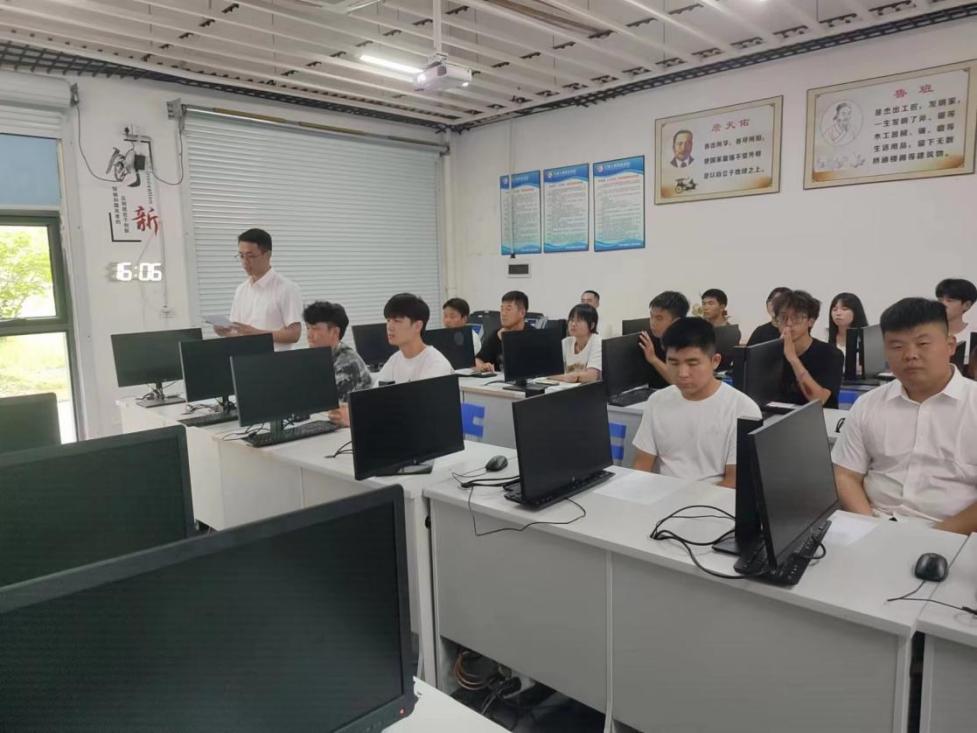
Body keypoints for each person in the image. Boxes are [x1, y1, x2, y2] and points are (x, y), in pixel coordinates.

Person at [832, 298, 977, 533]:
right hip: (873, 523)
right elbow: (845, 475)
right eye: (897, 346)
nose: (910, 355)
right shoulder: (868, 404)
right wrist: (869, 528)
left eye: (923, 344)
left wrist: (933, 538)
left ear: (950, 345)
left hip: (954, 534)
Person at [632, 318, 762, 487]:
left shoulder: (743, 410)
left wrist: (691, 502)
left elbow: (734, 482)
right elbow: (641, 465)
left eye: (692, 363)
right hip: (662, 495)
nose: (682, 373)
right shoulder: (657, 401)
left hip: (714, 499)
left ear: (715, 361)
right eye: (673, 363)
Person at [216, 228, 302, 350]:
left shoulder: (287, 288)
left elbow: (294, 334)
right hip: (244, 357)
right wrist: (225, 332)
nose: (245, 262)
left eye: (250, 256)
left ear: (267, 255)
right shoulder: (241, 290)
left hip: (275, 359)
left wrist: (255, 333)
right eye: (241, 256)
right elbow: (239, 333)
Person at [772, 290, 844, 408]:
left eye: (796, 317)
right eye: (783, 317)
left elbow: (818, 399)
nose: (789, 323)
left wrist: (793, 358)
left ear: (811, 321)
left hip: (820, 416)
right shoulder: (770, 353)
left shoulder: (830, 354)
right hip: (778, 415)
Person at [303, 301, 372, 402]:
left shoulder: (347, 364)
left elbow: (334, 406)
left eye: (315, 329)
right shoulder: (318, 357)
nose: (309, 335)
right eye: (308, 328)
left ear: (335, 332)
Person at [377, 293, 453, 383]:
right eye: (388, 320)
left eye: (397, 321)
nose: (389, 327)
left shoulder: (436, 364)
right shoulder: (394, 360)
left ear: (418, 326)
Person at [638, 291, 689, 388]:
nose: (652, 323)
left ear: (676, 322)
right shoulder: (648, 339)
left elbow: (678, 380)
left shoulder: (688, 343)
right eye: (651, 316)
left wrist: (653, 359)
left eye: (659, 318)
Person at [474, 290, 532, 373]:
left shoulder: (534, 336)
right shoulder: (496, 336)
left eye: (508, 309)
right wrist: (482, 366)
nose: (503, 314)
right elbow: (478, 360)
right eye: (502, 309)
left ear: (522, 313)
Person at [554, 304, 602, 383]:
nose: (573, 324)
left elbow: (592, 376)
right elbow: (551, 374)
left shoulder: (597, 342)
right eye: (571, 320)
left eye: (579, 321)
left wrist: (571, 377)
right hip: (566, 387)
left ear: (592, 325)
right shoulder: (566, 342)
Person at [935, 278, 976, 368]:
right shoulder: (929, 332)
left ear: (966, 305)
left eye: (949, 300)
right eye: (940, 300)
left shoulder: (974, 336)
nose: (942, 304)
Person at [827, 292, 869, 359]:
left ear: (856, 312)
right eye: (835, 309)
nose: (838, 313)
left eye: (844, 309)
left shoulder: (868, 338)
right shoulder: (824, 336)